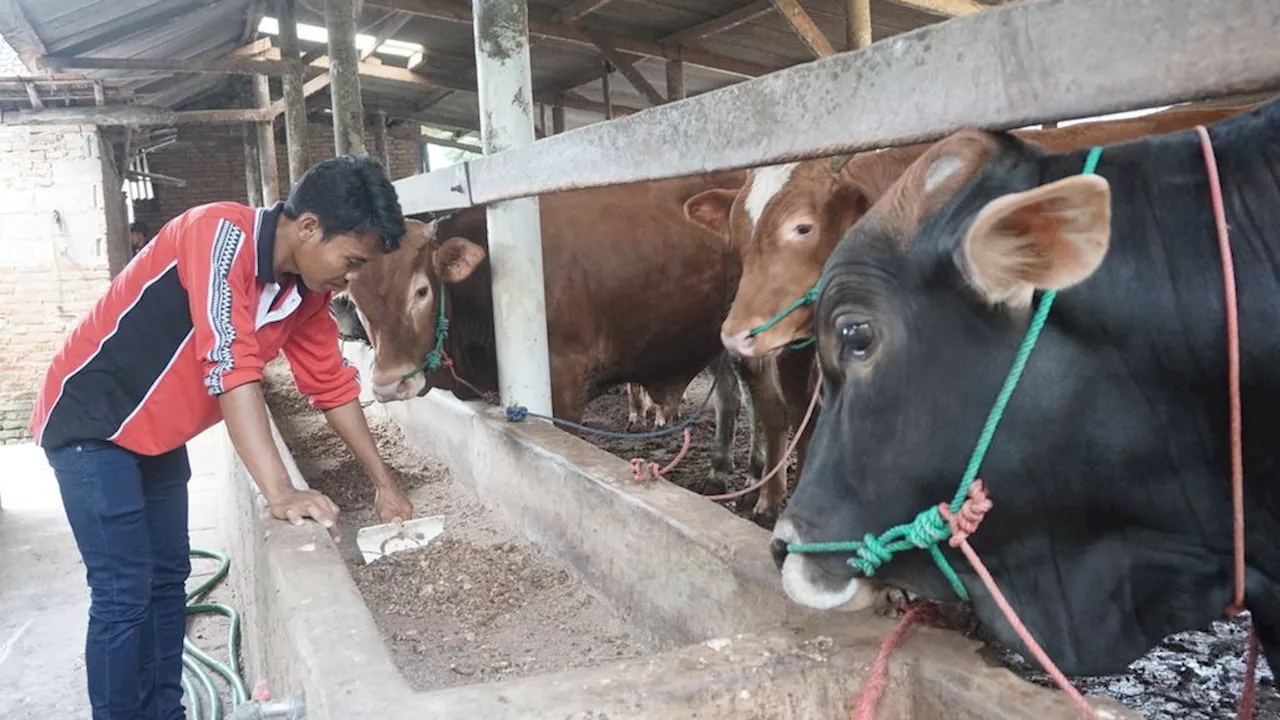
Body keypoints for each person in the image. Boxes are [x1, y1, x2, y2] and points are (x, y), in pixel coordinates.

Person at [28, 154, 416, 720]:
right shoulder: (217, 234)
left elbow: (330, 384)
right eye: (351, 261)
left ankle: (165, 712)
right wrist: (280, 492)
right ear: (308, 227)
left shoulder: (304, 295)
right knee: (123, 594)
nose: (350, 278)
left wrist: (385, 484)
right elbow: (230, 363)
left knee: (169, 579)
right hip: (91, 421)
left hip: (156, 434)